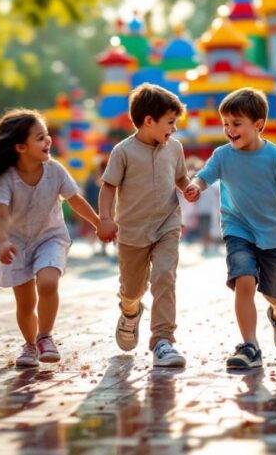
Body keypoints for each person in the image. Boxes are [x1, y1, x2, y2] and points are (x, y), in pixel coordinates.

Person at [0, 109, 102, 368]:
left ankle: (45, 337)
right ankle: (30, 344)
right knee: (25, 303)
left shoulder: (55, 170)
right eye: (40, 138)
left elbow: (75, 200)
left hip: (50, 237)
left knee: (47, 283)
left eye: (47, 136)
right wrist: (3, 242)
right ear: (21, 147)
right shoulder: (6, 178)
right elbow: (1, 216)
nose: (48, 142)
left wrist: (99, 223)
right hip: (16, 243)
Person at [185, 87, 276, 370]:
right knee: (244, 281)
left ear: (258, 124)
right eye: (226, 124)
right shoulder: (222, 155)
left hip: (274, 234)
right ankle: (250, 345)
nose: (229, 130)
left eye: (236, 124)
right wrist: (195, 187)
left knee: (275, 292)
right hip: (237, 229)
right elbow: (204, 177)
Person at [97, 83, 190, 368]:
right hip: (132, 232)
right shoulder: (123, 152)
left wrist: (189, 189)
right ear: (149, 121)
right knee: (133, 288)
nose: (174, 129)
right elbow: (109, 186)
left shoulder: (174, 148)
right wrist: (105, 218)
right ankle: (129, 310)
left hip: (167, 224)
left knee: (164, 276)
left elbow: (181, 179)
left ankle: (163, 340)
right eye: (170, 122)